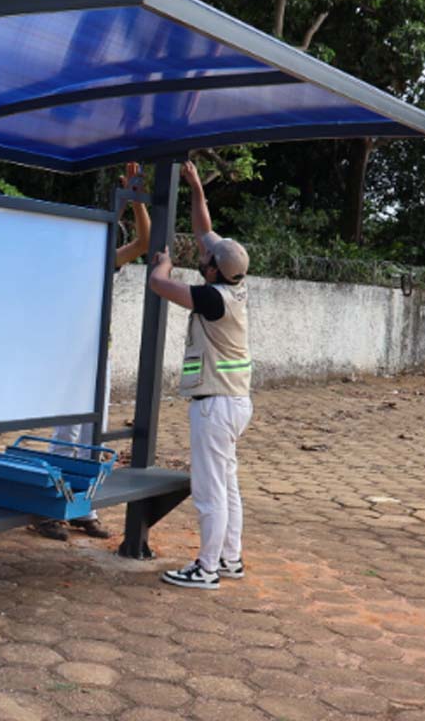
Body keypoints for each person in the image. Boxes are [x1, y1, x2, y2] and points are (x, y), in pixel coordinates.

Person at [147, 160, 253, 590]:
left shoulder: (212, 299)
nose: (202, 252)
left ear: (212, 270)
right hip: (234, 403)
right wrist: (195, 187)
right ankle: (230, 558)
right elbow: (203, 230)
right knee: (227, 486)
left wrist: (164, 264)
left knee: (210, 491)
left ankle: (206, 569)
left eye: (205, 257)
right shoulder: (234, 278)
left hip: (215, 406)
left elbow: (158, 285)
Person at [34, 161, 151, 541]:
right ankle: (51, 508)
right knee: (64, 436)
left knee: (92, 437)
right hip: (67, 359)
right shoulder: (60, 270)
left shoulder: (102, 263)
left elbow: (144, 242)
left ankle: (84, 507)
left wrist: (133, 200)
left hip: (98, 358)